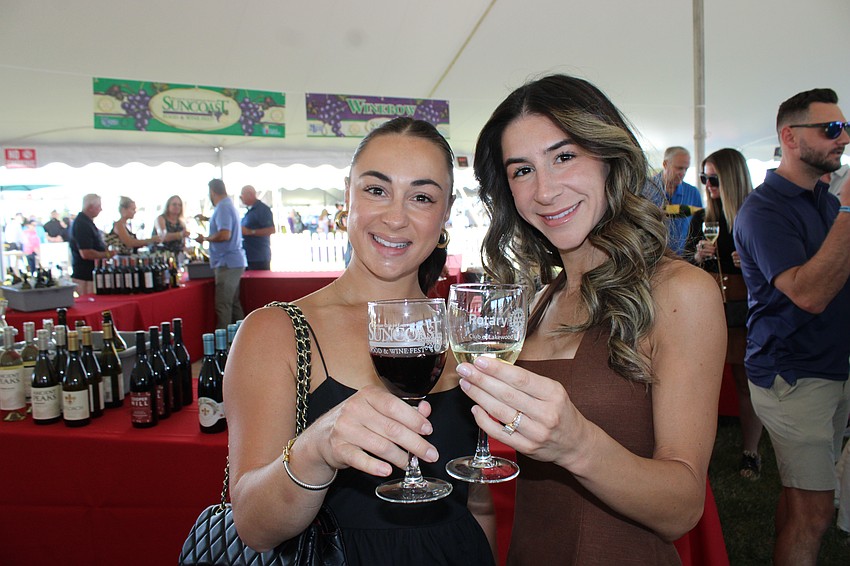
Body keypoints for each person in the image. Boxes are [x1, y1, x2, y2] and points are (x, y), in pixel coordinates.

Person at [462, 74, 725, 564]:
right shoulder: (539, 300)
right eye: (522, 171)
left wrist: (576, 444)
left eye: (564, 157)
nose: (545, 191)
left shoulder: (680, 292)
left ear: (609, 158)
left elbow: (683, 508)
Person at [225, 118, 496, 565]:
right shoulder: (276, 332)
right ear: (347, 196)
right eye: (376, 190)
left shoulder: (464, 335)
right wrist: (317, 450)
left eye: (422, 197)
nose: (395, 217)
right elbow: (254, 526)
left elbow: (478, 504)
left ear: (445, 213)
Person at [733, 88, 850, 566]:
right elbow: (809, 294)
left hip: (828, 366)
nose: (843, 138)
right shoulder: (764, 210)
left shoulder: (822, 200)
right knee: (815, 512)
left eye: (845, 128)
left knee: (803, 494)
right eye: (831, 129)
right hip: (793, 375)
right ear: (790, 137)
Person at [683, 148, 763, 480]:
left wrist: (752, 263)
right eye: (704, 178)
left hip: (745, 309)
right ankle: (697, 452)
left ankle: (751, 452)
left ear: (732, 177)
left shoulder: (755, 216)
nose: (707, 184)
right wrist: (697, 256)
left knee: (746, 383)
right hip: (711, 308)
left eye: (713, 178)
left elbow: (779, 269)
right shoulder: (702, 218)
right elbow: (684, 263)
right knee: (702, 386)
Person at [195, 179, 246, 328]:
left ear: (212, 192)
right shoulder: (227, 206)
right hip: (233, 261)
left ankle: (223, 341)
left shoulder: (223, 207)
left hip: (227, 263)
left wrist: (206, 238)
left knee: (223, 305)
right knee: (233, 304)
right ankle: (242, 336)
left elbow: (225, 234)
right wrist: (207, 220)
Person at [646, 146, 704, 255]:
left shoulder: (693, 192)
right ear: (665, 164)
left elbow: (699, 229)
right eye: (679, 168)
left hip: (684, 258)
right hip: (651, 257)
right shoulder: (645, 188)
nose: (683, 173)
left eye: (686, 169)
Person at [69, 193, 113, 295]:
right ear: (90, 208)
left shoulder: (86, 222)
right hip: (85, 276)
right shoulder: (82, 224)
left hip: (89, 275)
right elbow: (86, 253)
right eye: (99, 206)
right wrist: (107, 254)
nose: (101, 209)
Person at [239, 185, 275, 271]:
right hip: (248, 257)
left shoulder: (263, 210)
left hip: (259, 258)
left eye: (242, 195)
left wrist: (250, 232)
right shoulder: (249, 211)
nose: (241, 198)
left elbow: (271, 230)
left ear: (250, 194)